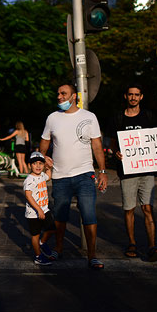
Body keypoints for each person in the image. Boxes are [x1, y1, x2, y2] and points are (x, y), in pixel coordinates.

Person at [39, 83, 107, 269]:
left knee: (89, 214)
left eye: (64, 93)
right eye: (58, 93)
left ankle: (92, 255)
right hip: (60, 176)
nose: (59, 97)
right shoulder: (52, 118)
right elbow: (44, 142)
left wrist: (102, 172)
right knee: (60, 216)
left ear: (74, 96)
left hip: (85, 175)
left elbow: (97, 146)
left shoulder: (89, 117)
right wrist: (43, 158)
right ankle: (58, 249)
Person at [108, 83, 157, 262]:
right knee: (129, 208)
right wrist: (115, 152)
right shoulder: (118, 118)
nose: (133, 97)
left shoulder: (150, 116)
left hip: (147, 170)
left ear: (141, 97)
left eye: (137, 95)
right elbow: (112, 141)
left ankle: (152, 245)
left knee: (148, 207)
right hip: (127, 171)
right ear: (125, 96)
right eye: (130, 94)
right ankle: (132, 243)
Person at [24, 151, 56, 266]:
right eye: (34, 164)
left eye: (40, 164)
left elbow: (49, 176)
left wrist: (49, 167)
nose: (38, 166)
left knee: (52, 229)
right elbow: (28, 196)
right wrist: (38, 210)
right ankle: (38, 257)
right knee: (35, 235)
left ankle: (42, 243)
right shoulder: (29, 180)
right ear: (29, 165)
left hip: (44, 209)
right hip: (34, 213)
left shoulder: (42, 175)